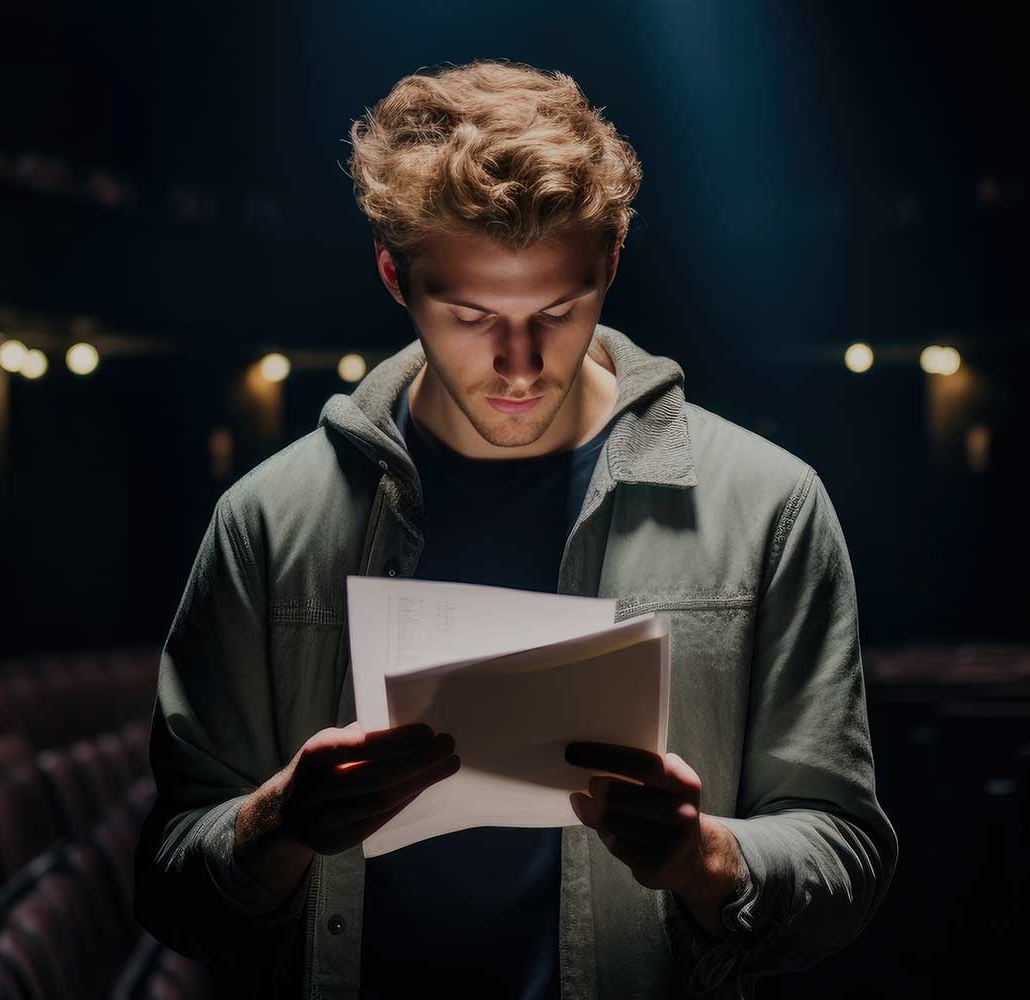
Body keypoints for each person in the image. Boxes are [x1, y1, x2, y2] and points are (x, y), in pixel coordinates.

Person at [133, 58, 897, 1000]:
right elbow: (169, 885)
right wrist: (280, 821)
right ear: (393, 278)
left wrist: (705, 856)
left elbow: (846, 861)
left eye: (559, 310)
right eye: (470, 315)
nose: (521, 364)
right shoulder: (265, 520)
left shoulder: (771, 505)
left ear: (610, 265)